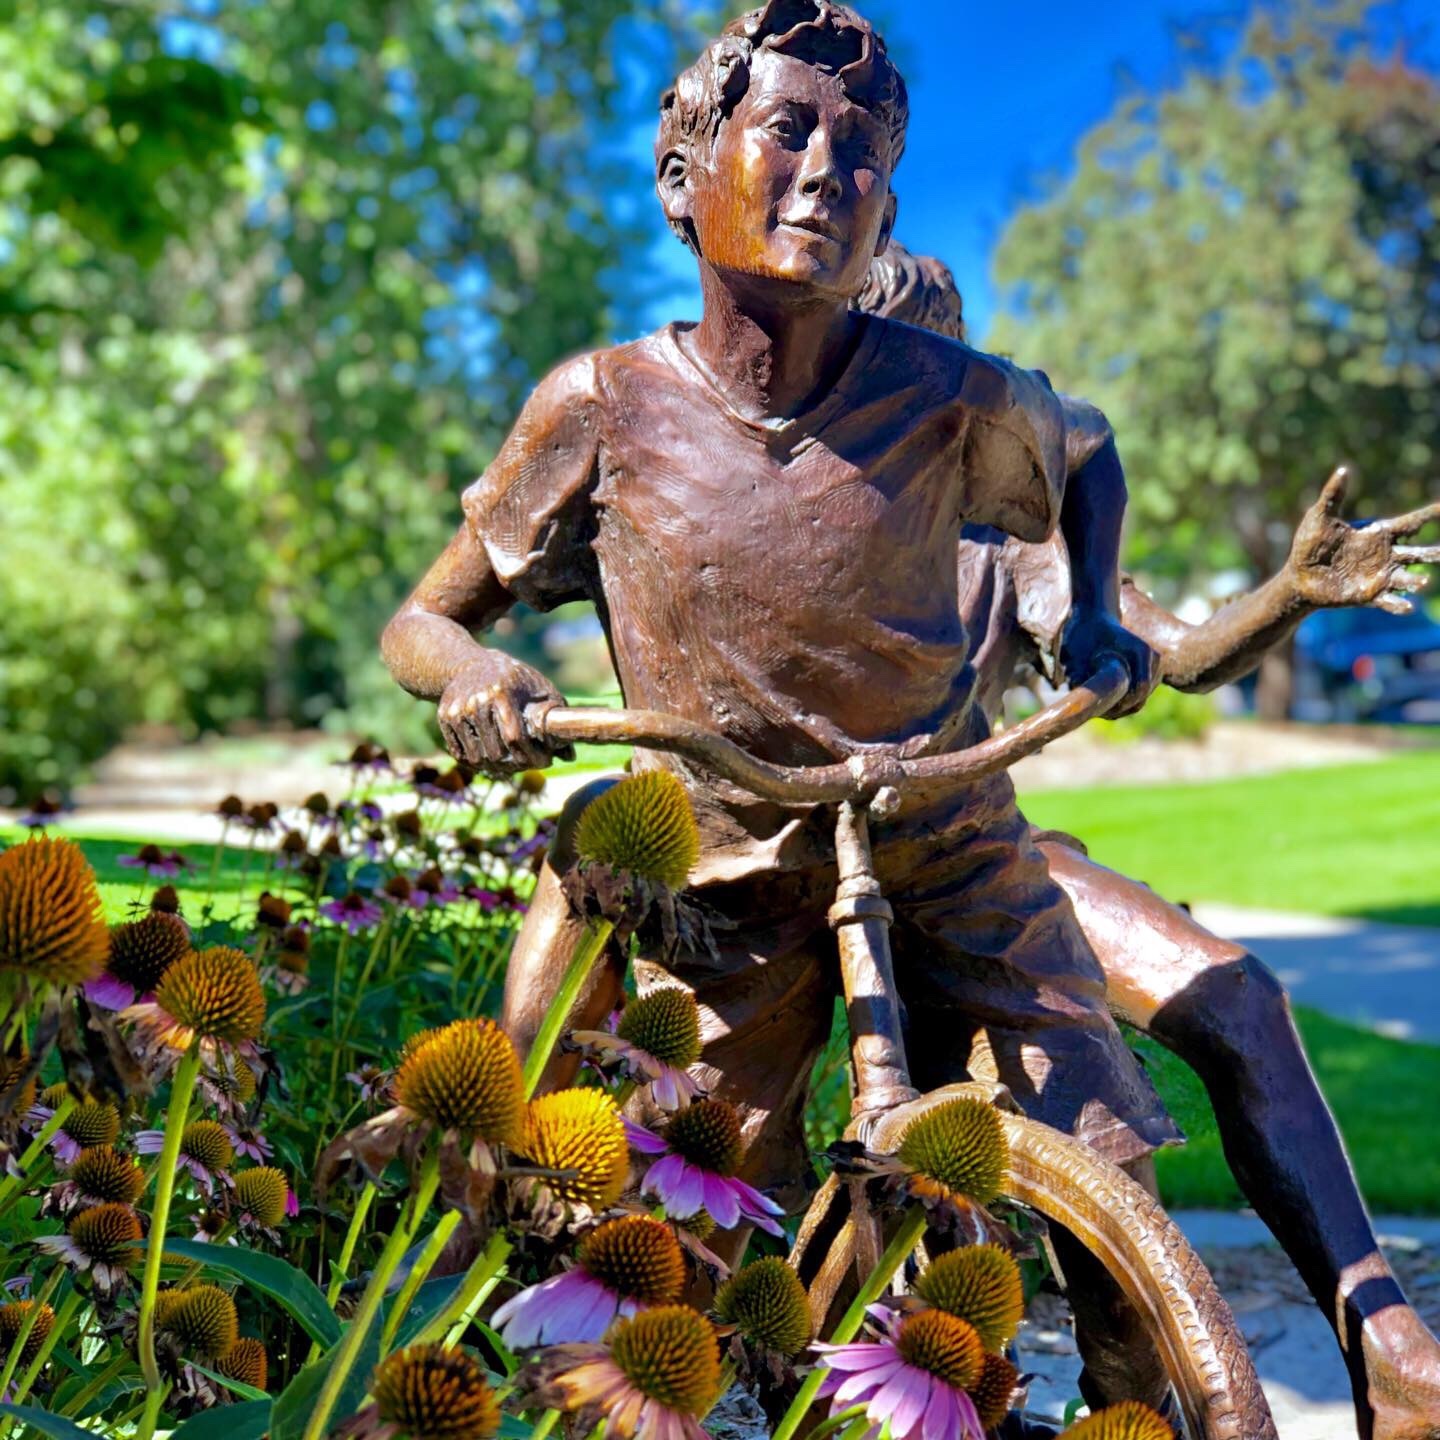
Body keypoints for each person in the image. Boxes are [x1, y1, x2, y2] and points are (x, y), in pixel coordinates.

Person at [378, 4, 1433, 1430]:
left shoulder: (938, 398)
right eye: (791, 130)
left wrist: (1108, 606)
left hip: (948, 844)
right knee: (666, 1245)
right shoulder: (604, 404)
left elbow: (1088, 449)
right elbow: (423, 619)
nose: (830, 169)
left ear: (888, 212)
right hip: (731, 878)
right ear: (687, 181)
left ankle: (1173, 1397)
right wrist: (473, 677)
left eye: (866, 150)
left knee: (1104, 1178)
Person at [855, 238, 1440, 1440]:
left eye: (952, 347)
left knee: (1243, 998)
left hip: (992, 857)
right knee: (1101, 1201)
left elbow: (1167, 651)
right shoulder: (801, 517)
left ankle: (1387, 1350)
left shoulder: (1014, 535)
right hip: (842, 880)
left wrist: (1288, 594)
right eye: (907, 350)